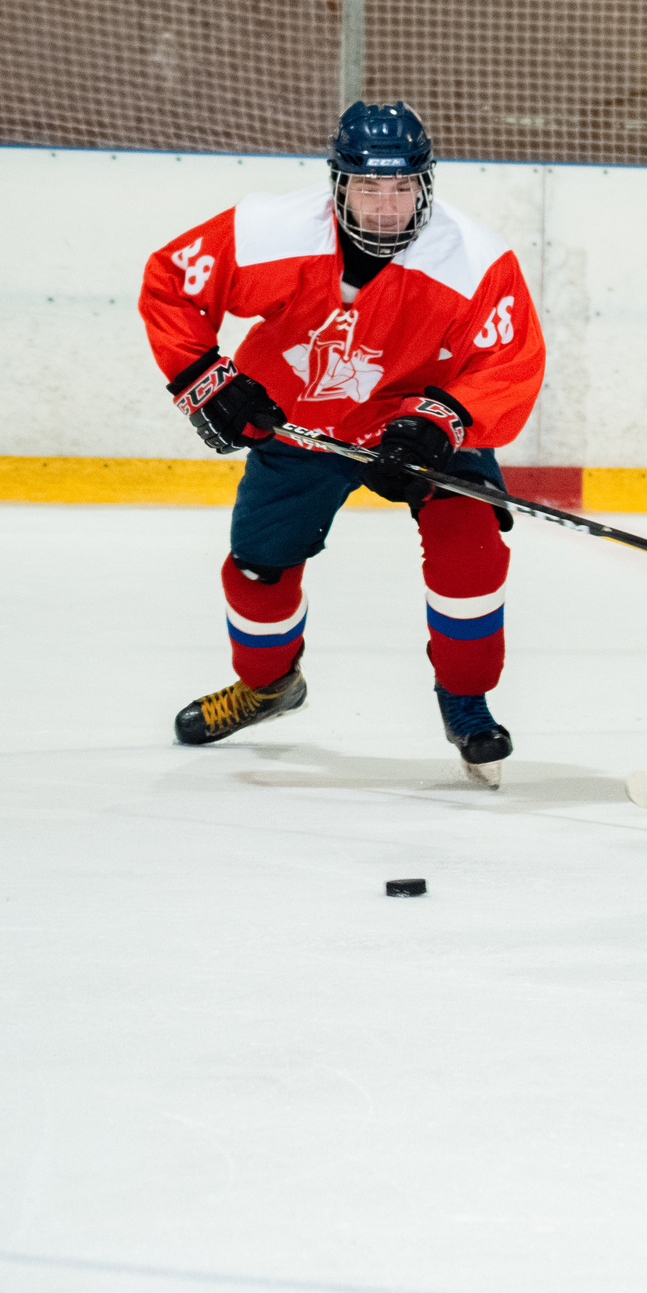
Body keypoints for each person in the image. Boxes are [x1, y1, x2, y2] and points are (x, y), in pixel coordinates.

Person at [140, 100, 545, 786]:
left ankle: (466, 700)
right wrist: (206, 377)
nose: (386, 206)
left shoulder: (474, 260)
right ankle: (268, 687)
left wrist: (437, 422)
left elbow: (508, 363)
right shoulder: (271, 229)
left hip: (420, 424)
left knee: (471, 544)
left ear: (425, 182)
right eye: (368, 186)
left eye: (401, 187)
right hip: (301, 421)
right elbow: (173, 280)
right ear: (338, 183)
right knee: (258, 568)